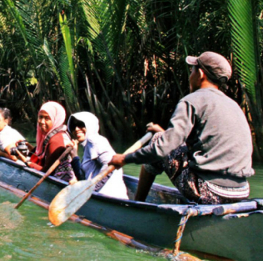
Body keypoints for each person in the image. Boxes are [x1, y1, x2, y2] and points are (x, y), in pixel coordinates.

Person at [108, 52, 254, 204]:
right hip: (241, 192)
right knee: (162, 139)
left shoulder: (192, 101)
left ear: (201, 74)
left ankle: (137, 204)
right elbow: (203, 143)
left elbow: (162, 148)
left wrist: (125, 158)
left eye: (192, 70)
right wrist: (165, 134)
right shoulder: (233, 105)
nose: (190, 75)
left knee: (157, 141)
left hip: (211, 192)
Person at [68, 112, 128, 199]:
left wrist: (91, 190)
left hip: (108, 196)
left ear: (89, 125)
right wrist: (74, 156)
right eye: (73, 126)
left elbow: (110, 167)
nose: (76, 129)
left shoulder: (94, 139)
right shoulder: (86, 146)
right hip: (97, 195)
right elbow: (83, 179)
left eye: (80, 124)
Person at [26, 101, 76, 183]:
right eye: (40, 117)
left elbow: (45, 172)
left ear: (56, 119)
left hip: (61, 182)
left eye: (47, 118)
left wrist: (27, 162)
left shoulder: (55, 140)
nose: (42, 122)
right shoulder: (60, 132)